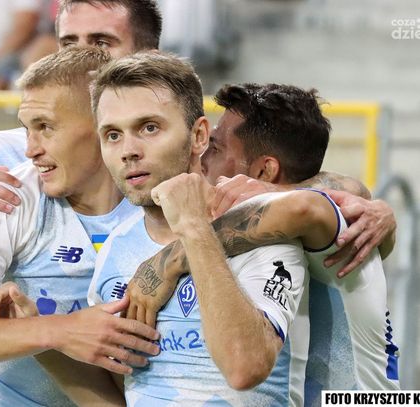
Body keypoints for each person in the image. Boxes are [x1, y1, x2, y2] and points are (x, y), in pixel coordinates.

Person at [121, 83, 400, 405]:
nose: (201, 158)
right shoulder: (305, 209)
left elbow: (305, 207)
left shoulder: (322, 215)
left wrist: (168, 261)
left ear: (265, 170)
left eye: (216, 148)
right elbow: (341, 187)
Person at [0, 47, 162, 407]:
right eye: (27, 128)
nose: (30, 149)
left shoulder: (159, 203)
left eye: (45, 127)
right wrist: (60, 330)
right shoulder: (8, 198)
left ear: (101, 126)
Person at [86, 51, 308, 405]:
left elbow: (245, 367)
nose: (128, 150)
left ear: (199, 136)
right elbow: (122, 386)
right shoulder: (115, 247)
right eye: (112, 135)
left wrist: (192, 228)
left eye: (149, 128)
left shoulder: (262, 233)